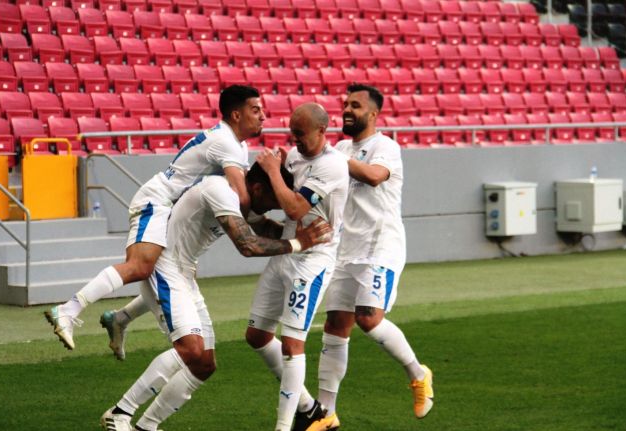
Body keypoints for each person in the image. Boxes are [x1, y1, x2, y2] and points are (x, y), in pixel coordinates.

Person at [100, 163, 333, 431]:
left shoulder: (243, 198)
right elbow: (248, 245)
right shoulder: (220, 190)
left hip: (183, 273)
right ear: (257, 189)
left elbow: (263, 228)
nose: (270, 210)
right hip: (165, 267)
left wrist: (306, 235)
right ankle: (120, 412)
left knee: (203, 364)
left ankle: (146, 426)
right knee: (190, 349)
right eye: (271, 203)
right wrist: (299, 243)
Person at [45, 85, 264, 351]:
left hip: (173, 210)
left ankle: (120, 318)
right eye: (256, 110)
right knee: (140, 266)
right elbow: (242, 198)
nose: (263, 116)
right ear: (236, 114)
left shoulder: (237, 145)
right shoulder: (226, 142)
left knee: (177, 276)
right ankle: (68, 310)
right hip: (157, 202)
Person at [304, 84, 434, 431]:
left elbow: (375, 176)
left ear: (373, 114)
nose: (347, 110)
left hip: (380, 247)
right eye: (346, 104)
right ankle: (326, 413)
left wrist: (329, 157)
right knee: (335, 326)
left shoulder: (385, 146)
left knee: (368, 318)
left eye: (356, 106)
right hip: (345, 249)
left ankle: (418, 374)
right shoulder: (341, 148)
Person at [245, 103, 349, 431]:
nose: (295, 140)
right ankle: (311, 409)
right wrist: (276, 168)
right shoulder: (293, 156)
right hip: (288, 250)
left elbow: (295, 208)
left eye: (300, 134)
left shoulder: (332, 165)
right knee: (257, 335)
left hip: (312, 261)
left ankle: (284, 426)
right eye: (292, 133)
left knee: (292, 344)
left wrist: (273, 171)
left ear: (322, 131)